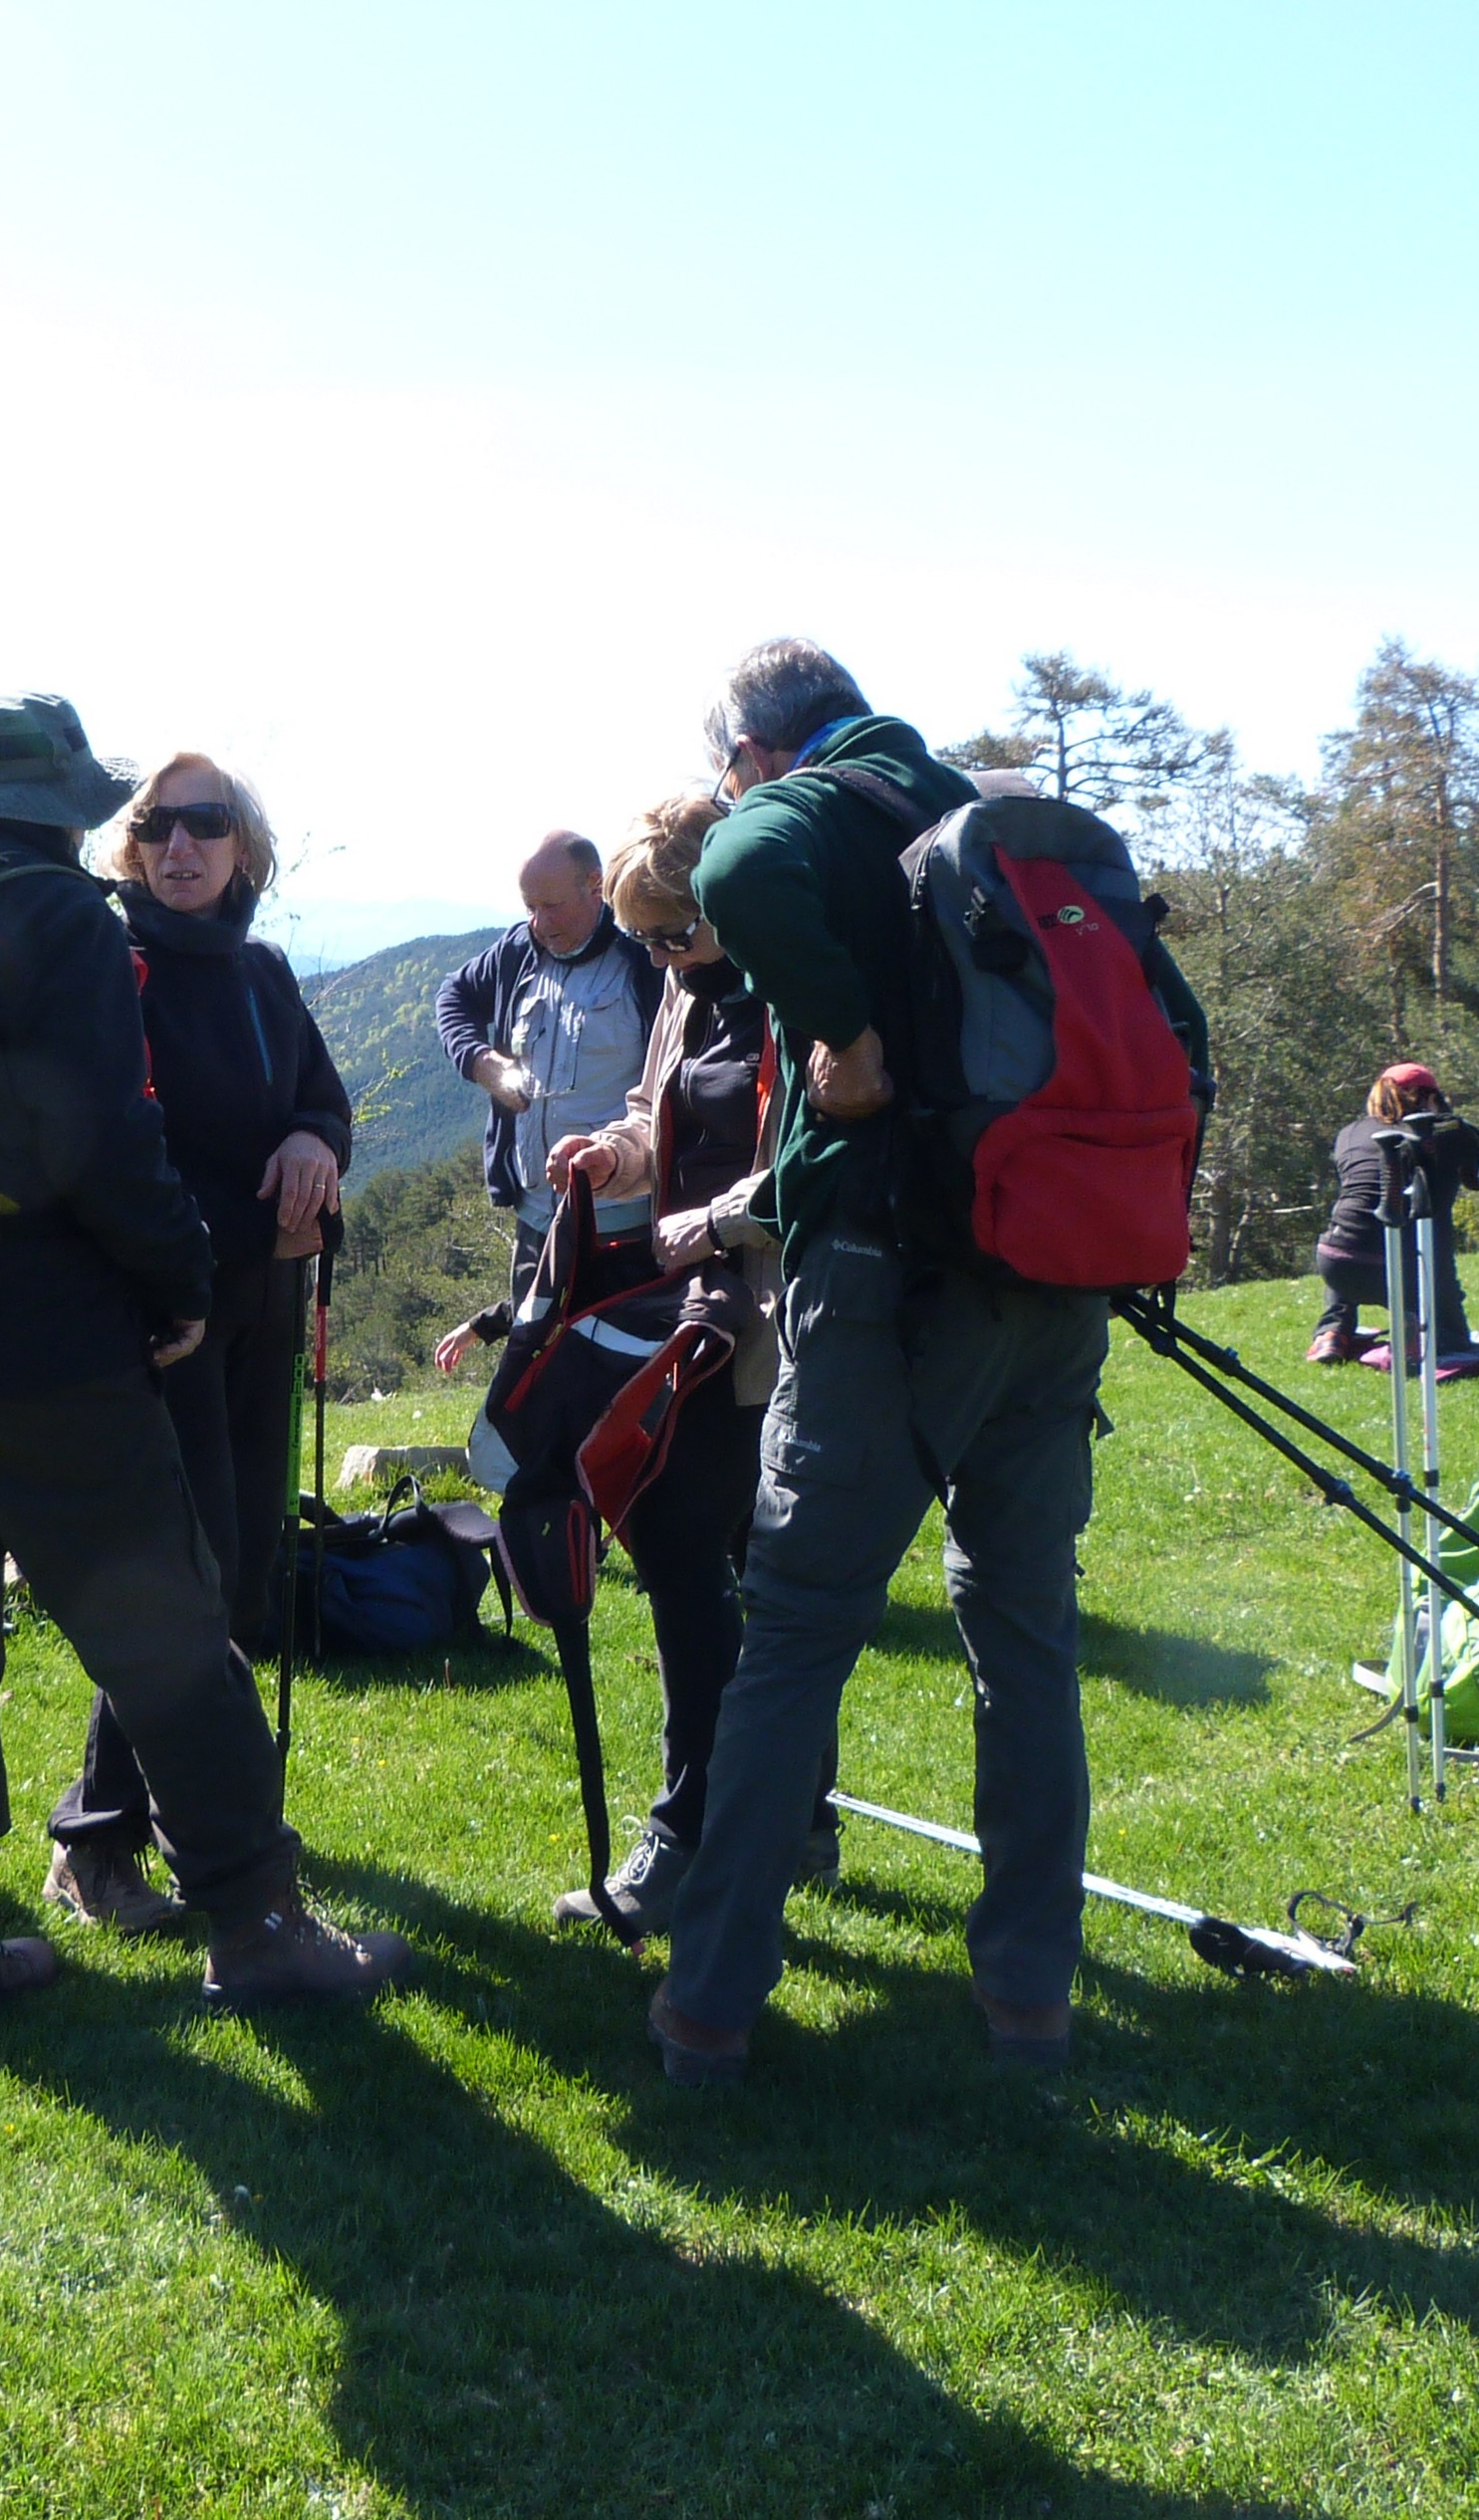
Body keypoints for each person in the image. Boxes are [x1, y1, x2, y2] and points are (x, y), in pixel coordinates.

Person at [0, 695, 405, 2018]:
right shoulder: (61, 917)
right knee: (172, 1631)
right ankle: (258, 1927)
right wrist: (178, 1286)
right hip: (40, 1344)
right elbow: (109, 1140)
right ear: (66, 806)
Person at [644, 637, 1112, 2084]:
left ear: (755, 748)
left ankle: (710, 2005)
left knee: (795, 1630)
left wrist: (845, 1037)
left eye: (729, 770)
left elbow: (734, 871)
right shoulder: (991, 820)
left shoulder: (812, 807)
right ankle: (1028, 1997)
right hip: (1050, 1279)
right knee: (1025, 1629)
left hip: (887, 1285)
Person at [42, 752, 353, 1936]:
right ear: (128, 847)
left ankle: (178, 1820)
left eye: (205, 823)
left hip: (258, 1312)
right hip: (163, 1321)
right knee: (188, 1581)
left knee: (236, 1578)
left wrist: (315, 1142)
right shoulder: (110, 970)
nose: (181, 846)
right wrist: (239, 1232)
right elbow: (116, 1158)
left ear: (241, 846)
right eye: (157, 825)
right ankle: (97, 1840)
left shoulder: (260, 972)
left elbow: (319, 1097)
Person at [533, 794, 839, 1933]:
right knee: (716, 1555)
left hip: (777, 1315)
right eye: (645, 940)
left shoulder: (799, 991)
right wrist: (612, 1156)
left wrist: (707, 1225)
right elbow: (653, 1111)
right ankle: (791, 1818)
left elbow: (820, 1155)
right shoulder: (686, 988)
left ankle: (691, 1834)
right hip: (700, 1311)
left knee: (698, 1553)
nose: (662, 958)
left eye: (674, 934)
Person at [433, 831, 659, 1294]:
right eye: (529, 907)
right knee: (532, 1341)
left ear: (595, 885)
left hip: (626, 1227)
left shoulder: (644, 958)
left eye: (551, 906)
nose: (539, 922)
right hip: (536, 1223)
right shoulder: (518, 952)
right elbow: (453, 995)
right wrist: (480, 1061)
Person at [1308, 1064, 1479, 1364]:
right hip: (1406, 1270)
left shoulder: (1350, 1133)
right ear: (1430, 1098)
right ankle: (1423, 1331)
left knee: (1353, 1231)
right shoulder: (1448, 1130)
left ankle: (1331, 1333)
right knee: (1452, 1340)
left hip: (1336, 1266)